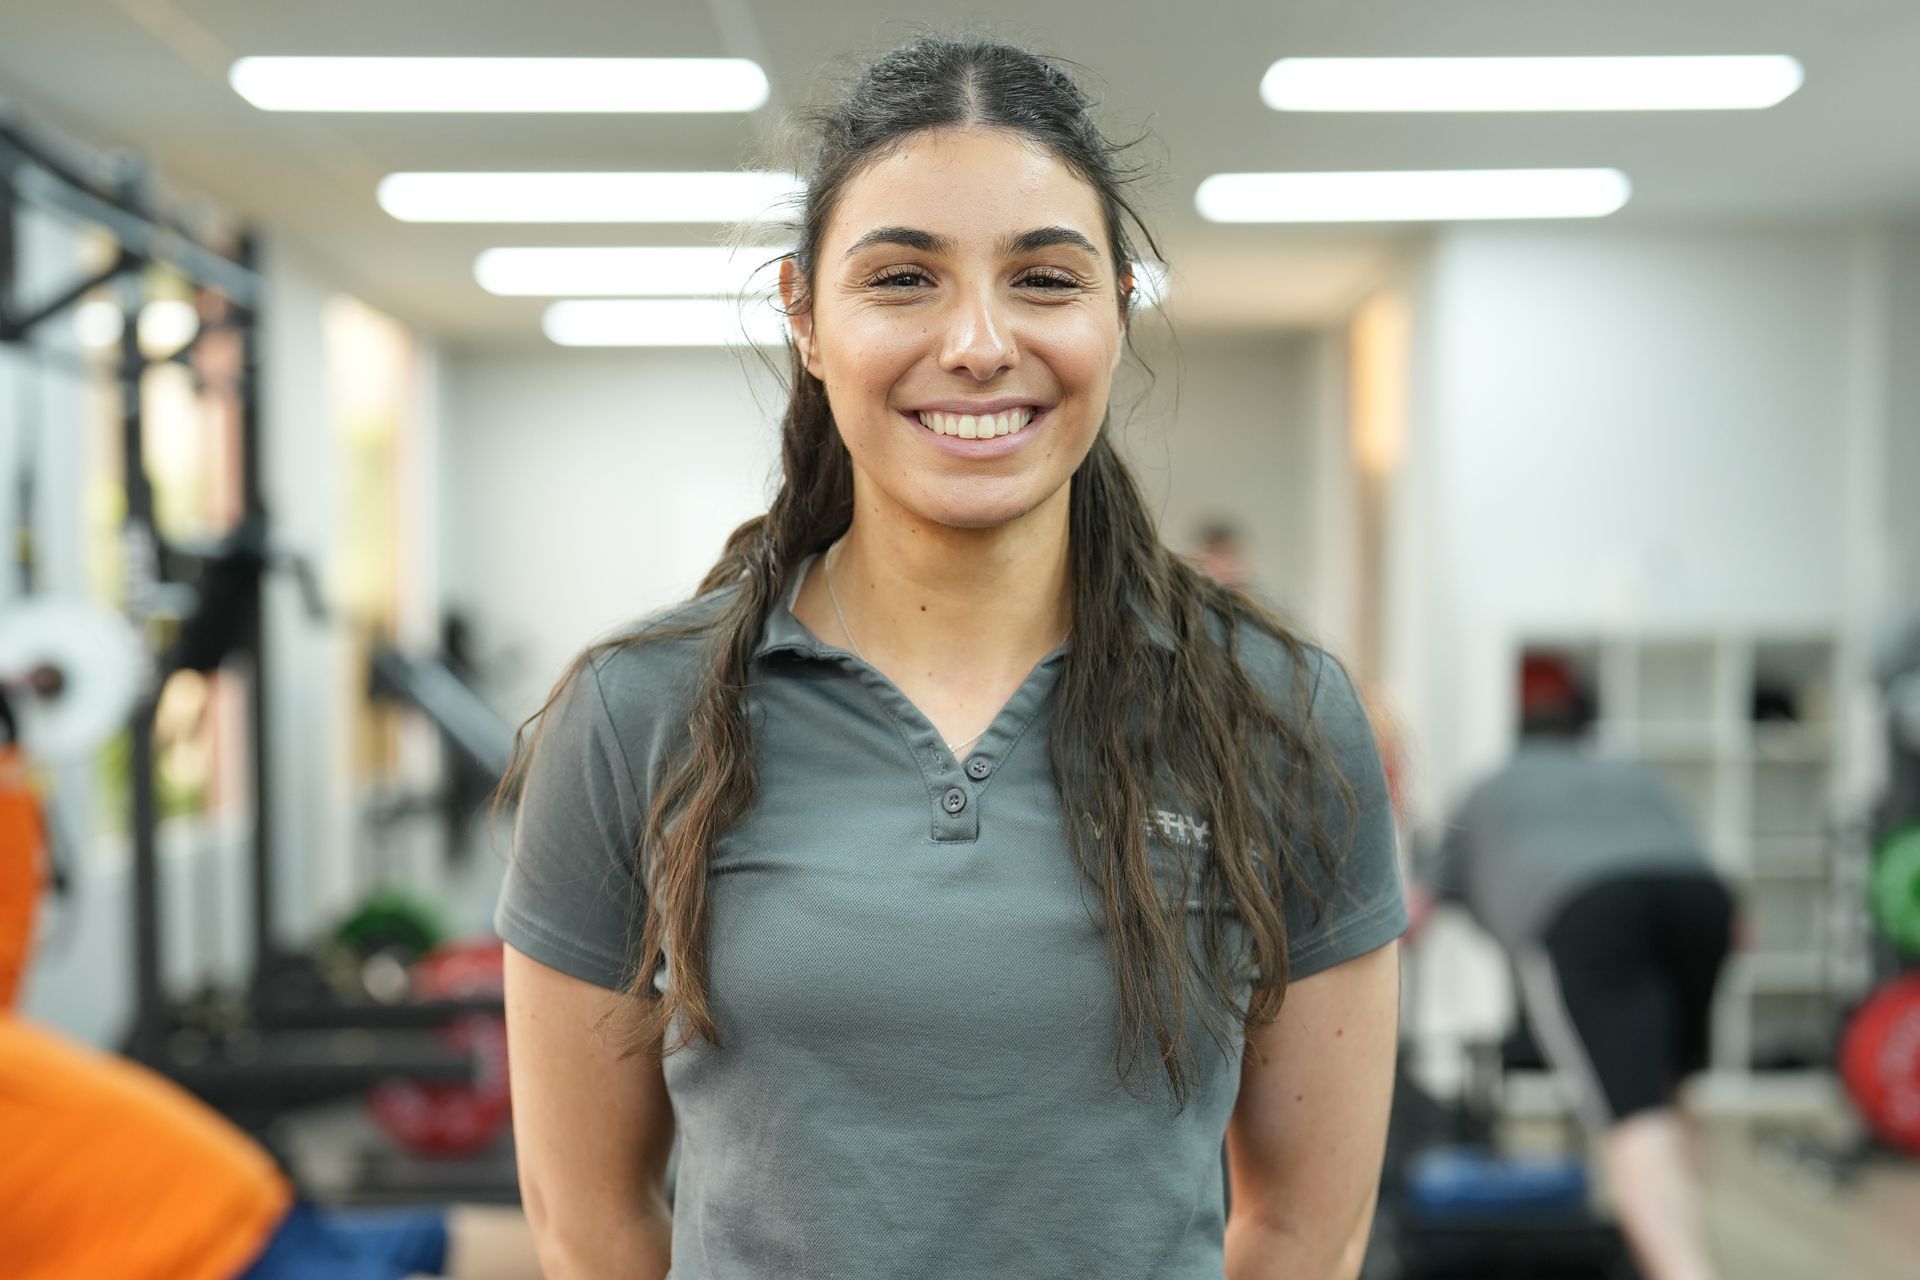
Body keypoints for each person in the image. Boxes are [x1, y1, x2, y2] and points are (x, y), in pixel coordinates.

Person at [495, 32, 1407, 1280]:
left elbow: (1307, 1228)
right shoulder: (638, 709)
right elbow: (589, 1223)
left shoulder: (1273, 708)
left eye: (1044, 278)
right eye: (903, 279)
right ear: (806, 318)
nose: (979, 342)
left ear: (1118, 308)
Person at [1, 720, 540, 1280]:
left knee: (538, 1241)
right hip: (208, 1246)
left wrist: (7, 763)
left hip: (243, 1213)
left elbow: (8, 930)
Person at [1406, 656, 1738, 1280]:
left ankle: (1682, 1267)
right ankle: (1682, 1244)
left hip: (1585, 910)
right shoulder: (1627, 774)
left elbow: (1411, 911)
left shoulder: (1489, 787)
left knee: (1629, 1112)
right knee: (1670, 1092)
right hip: (1703, 902)